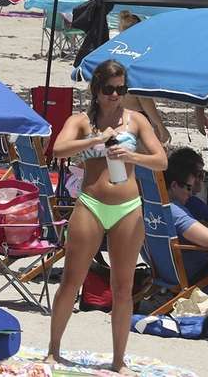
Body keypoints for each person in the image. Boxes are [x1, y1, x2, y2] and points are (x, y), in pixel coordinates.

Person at [46, 59, 167, 372]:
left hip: (128, 207)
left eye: (121, 89)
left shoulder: (136, 120)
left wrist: (132, 155)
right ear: (96, 90)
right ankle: (54, 349)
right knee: (72, 280)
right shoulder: (82, 121)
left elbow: (161, 160)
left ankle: (118, 361)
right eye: (109, 89)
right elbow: (58, 149)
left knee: (123, 287)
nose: (115, 95)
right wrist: (95, 141)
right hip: (91, 203)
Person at [164, 151, 208, 281]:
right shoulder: (173, 210)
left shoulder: (152, 206)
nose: (191, 194)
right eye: (188, 188)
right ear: (174, 185)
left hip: (168, 272)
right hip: (197, 274)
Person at [114, 12, 169, 144]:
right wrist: (159, 125)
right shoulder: (136, 59)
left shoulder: (113, 55)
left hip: (112, 117)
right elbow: (143, 97)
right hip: (135, 119)